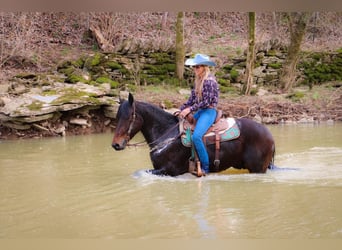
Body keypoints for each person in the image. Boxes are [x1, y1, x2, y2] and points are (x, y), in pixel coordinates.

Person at [179, 53, 219, 176]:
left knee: (196, 136)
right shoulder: (198, 81)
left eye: (197, 67)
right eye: (194, 67)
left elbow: (206, 102)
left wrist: (190, 109)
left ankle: (206, 166)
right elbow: (191, 100)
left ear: (204, 67)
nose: (195, 69)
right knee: (184, 127)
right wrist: (182, 109)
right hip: (201, 111)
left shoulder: (209, 82)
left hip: (209, 111)